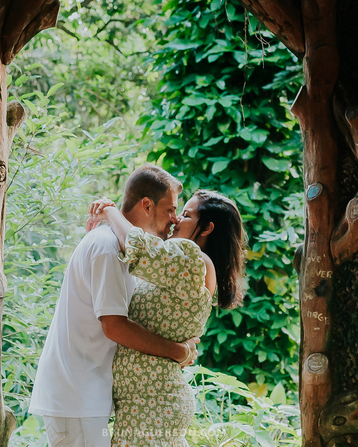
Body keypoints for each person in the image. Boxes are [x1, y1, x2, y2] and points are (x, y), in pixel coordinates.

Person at [29, 165, 200, 447]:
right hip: (76, 398)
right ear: (146, 205)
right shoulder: (106, 246)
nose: (174, 219)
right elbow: (115, 326)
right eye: (170, 209)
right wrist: (176, 351)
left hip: (85, 396)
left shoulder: (119, 248)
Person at [90, 188, 246, 447]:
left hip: (153, 405)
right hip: (149, 402)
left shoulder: (192, 259)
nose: (175, 220)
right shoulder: (185, 264)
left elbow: (136, 245)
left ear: (206, 228)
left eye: (185, 214)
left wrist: (109, 209)